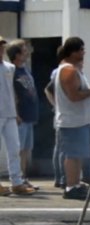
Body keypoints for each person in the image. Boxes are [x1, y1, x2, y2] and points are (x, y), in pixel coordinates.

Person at [56, 37, 90, 200]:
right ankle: (70, 186)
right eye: (81, 49)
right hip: (71, 121)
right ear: (72, 52)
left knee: (80, 153)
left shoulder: (75, 69)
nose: (83, 52)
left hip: (80, 120)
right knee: (72, 155)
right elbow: (73, 96)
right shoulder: (68, 70)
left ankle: (76, 183)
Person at [0, 38, 34, 197]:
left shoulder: (9, 67)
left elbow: (12, 91)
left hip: (9, 113)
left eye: (2, 46)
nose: (1, 49)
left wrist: (15, 111)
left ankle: (17, 182)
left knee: (15, 148)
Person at [8, 40, 38, 191]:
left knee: (26, 149)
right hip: (20, 117)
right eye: (24, 50)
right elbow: (10, 93)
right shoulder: (12, 71)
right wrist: (16, 113)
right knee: (19, 150)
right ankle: (17, 179)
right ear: (17, 54)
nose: (27, 53)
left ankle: (24, 178)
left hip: (30, 115)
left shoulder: (25, 70)